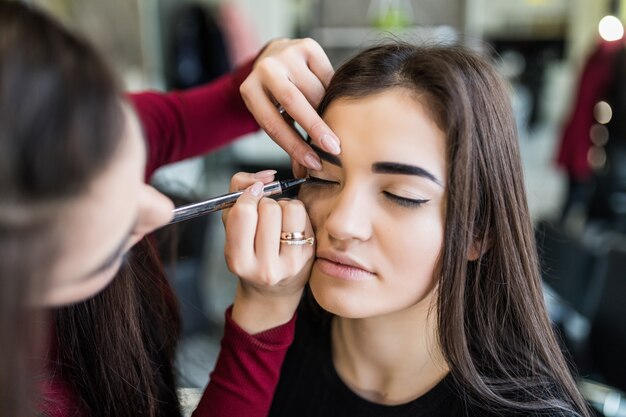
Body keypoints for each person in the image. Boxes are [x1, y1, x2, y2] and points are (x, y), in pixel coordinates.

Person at [0, 2, 336, 417]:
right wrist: (263, 313)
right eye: (112, 205)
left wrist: (270, 71)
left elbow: (212, 107)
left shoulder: (76, 125)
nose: (161, 210)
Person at [223, 43, 593, 416]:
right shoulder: (272, 328)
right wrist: (260, 313)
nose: (342, 223)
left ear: (477, 233)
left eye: (401, 196)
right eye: (322, 179)